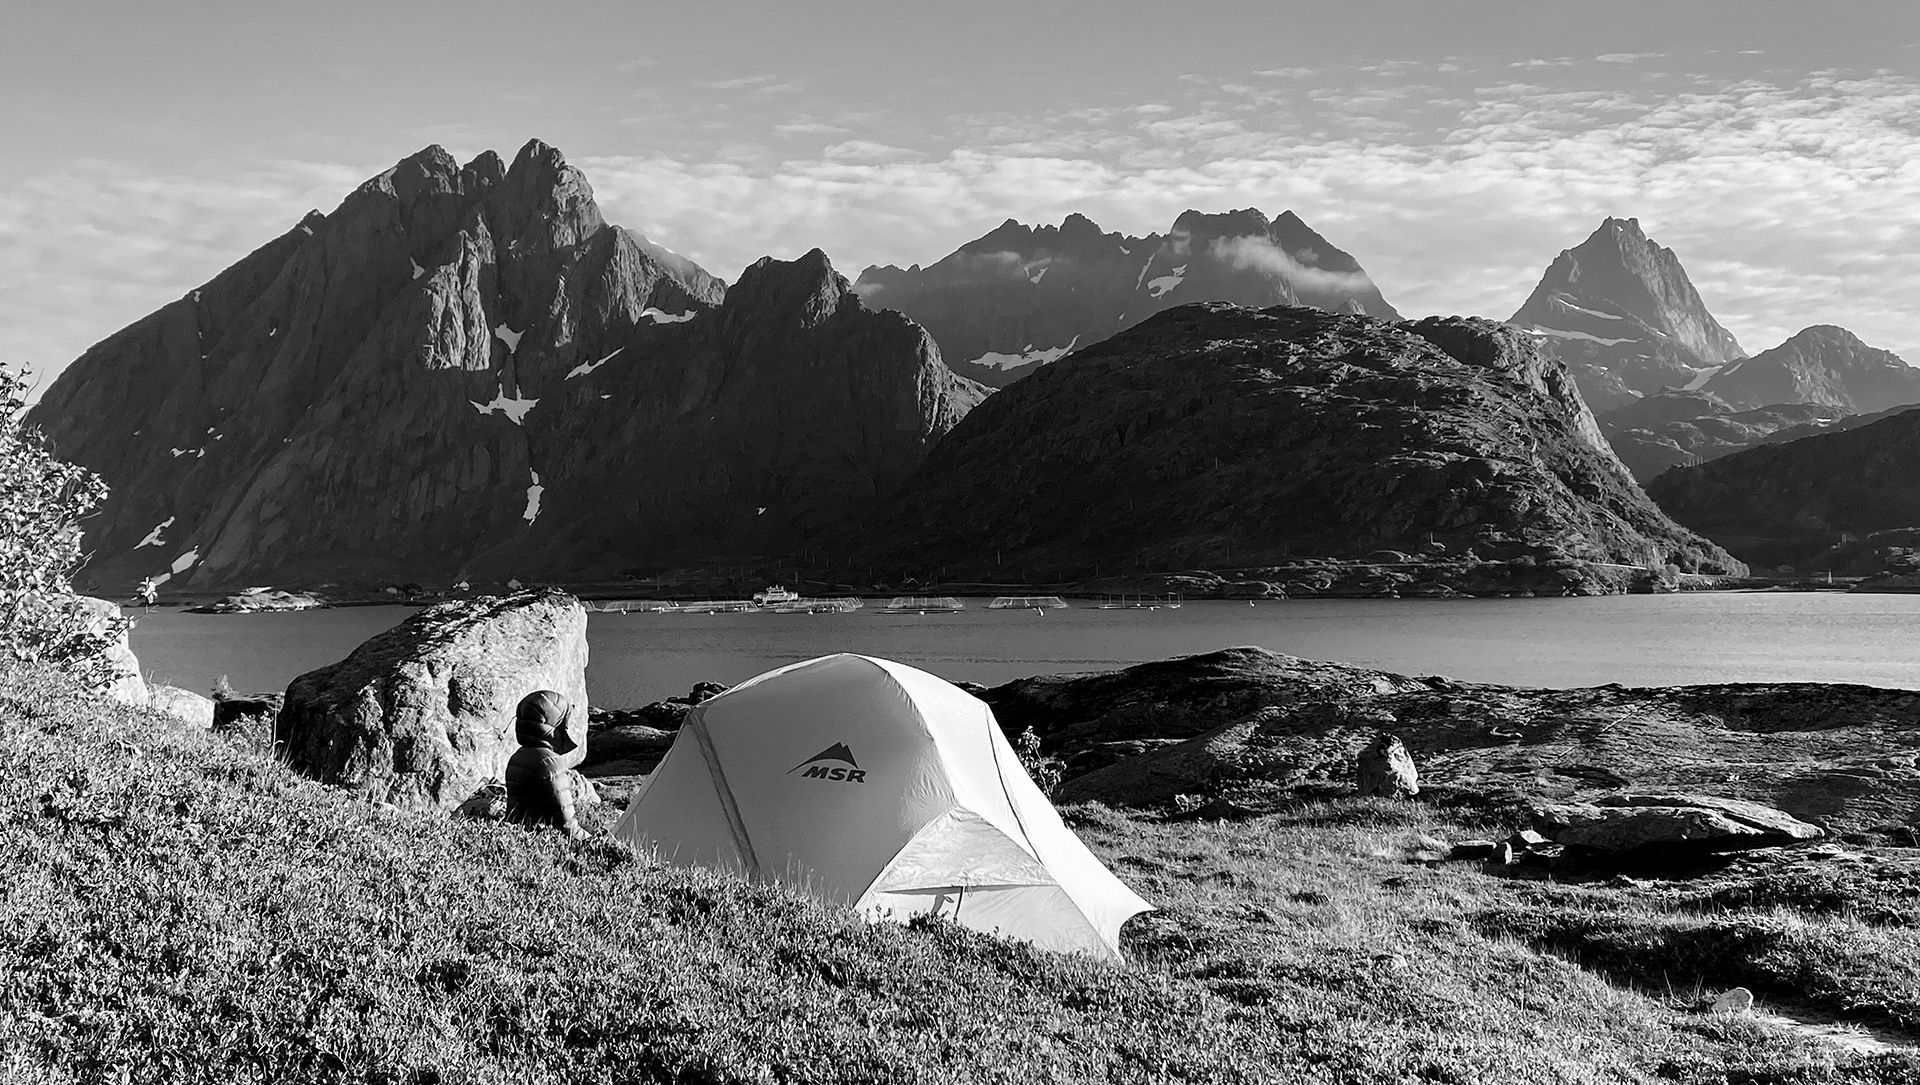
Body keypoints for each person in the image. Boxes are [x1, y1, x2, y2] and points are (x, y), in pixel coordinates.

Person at [505, 689, 589, 839]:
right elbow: (567, 825)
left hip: (517, 837)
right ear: (555, 725)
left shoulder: (518, 756)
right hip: (541, 841)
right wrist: (593, 842)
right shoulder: (551, 763)